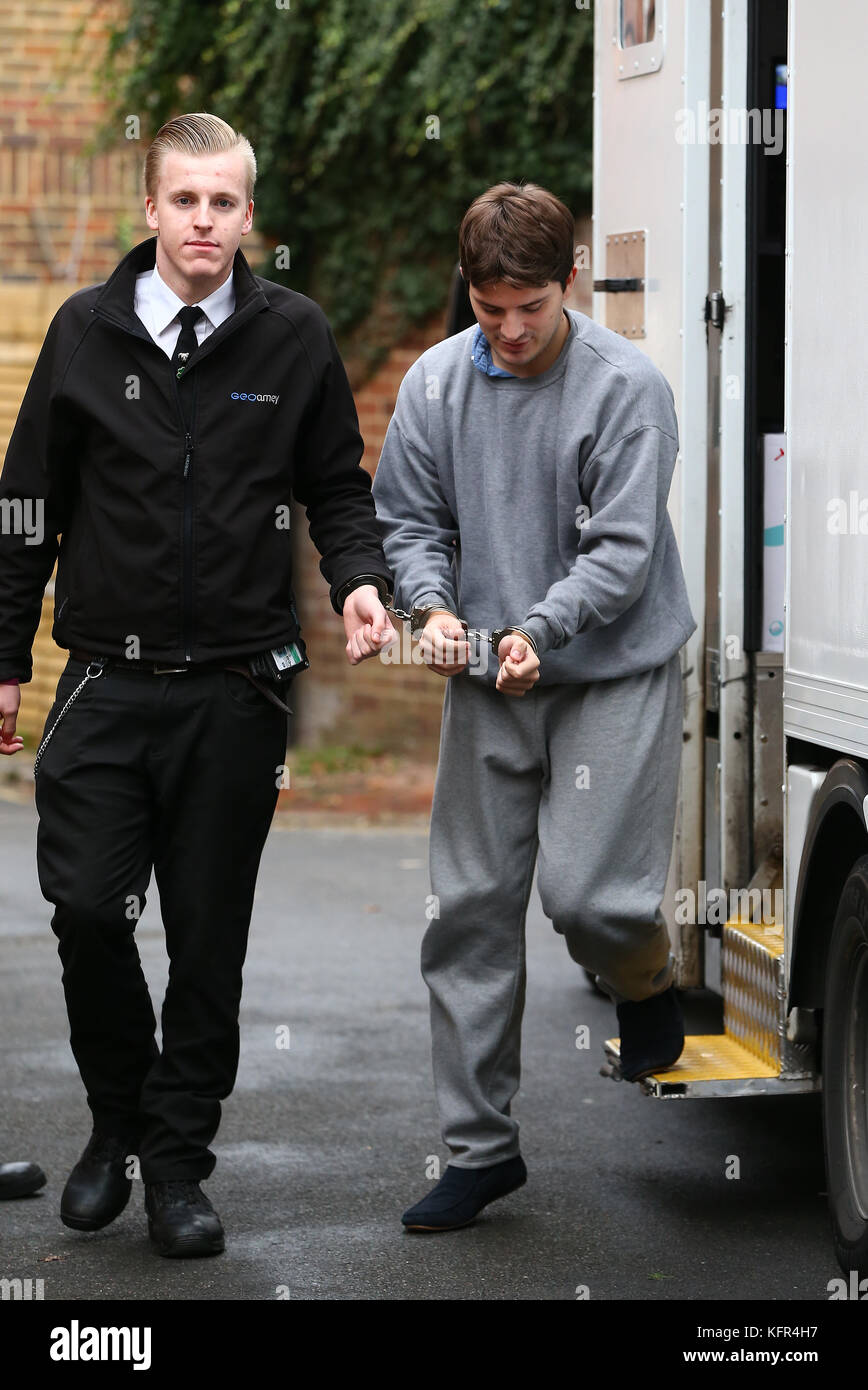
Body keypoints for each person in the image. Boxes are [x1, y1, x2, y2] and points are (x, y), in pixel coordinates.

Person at [0, 112, 395, 1257]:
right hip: (104, 685)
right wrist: (6, 658)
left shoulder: (292, 336)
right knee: (86, 913)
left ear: (247, 215)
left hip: (234, 691)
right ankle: (116, 1120)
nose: (204, 222)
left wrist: (361, 581)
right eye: (185, 200)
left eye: (224, 203)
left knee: (207, 941)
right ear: (151, 208)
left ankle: (175, 1165)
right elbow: (26, 507)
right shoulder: (85, 332)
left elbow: (337, 487)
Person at [372, 181, 697, 1232]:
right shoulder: (431, 385)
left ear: (570, 283)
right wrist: (429, 606)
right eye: (488, 308)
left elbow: (621, 550)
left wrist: (538, 629)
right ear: (466, 290)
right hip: (487, 680)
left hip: (610, 667)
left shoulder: (625, 387)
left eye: (531, 308)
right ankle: (478, 1151)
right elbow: (409, 519)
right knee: (466, 912)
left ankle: (645, 986)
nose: (509, 332)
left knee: (591, 898)